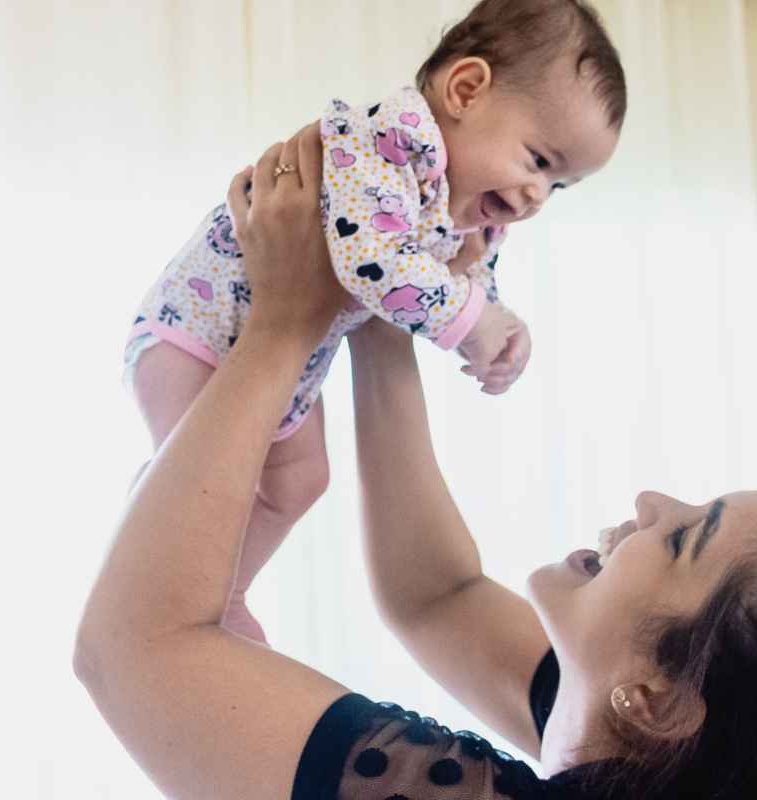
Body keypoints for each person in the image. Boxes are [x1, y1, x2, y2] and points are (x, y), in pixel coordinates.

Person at [77, 127, 757, 799]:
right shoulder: (657, 756)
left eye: (686, 539)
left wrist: (283, 324)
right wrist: (381, 301)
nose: (651, 499)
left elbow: (133, 651)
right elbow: (433, 596)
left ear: (658, 701)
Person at [120, 0, 626, 642]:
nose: (537, 198)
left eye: (559, 187)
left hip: (283, 364)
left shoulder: (469, 208)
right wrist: (475, 322)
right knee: (202, 479)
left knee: (303, 481)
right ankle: (153, 565)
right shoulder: (387, 144)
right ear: (465, 91)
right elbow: (373, 262)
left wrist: (497, 327)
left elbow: (463, 280)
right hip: (192, 333)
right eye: (540, 161)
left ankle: (229, 589)